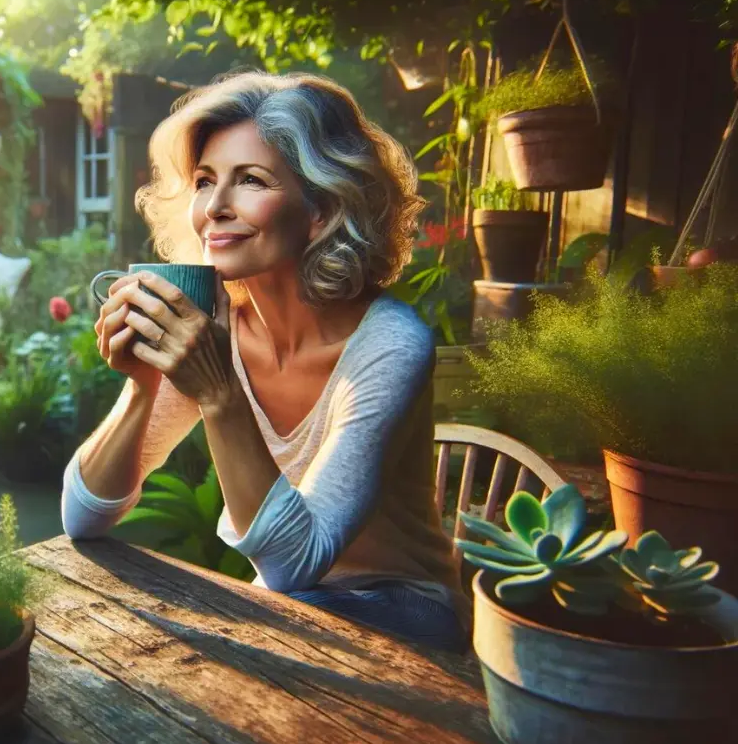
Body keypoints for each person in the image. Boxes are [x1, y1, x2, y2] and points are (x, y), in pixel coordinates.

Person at [60, 71, 469, 653]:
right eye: (205, 181)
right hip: (291, 605)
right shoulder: (218, 327)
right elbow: (83, 518)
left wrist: (220, 394)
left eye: (250, 180)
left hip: (405, 610)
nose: (215, 207)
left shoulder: (390, 343)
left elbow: (293, 563)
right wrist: (143, 383)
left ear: (322, 210)